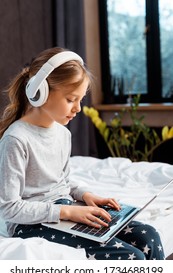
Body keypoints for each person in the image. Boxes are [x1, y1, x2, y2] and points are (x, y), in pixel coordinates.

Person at [0, 47, 165, 260]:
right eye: (70, 99)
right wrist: (67, 212)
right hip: (29, 223)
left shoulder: (62, 133)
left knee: (149, 237)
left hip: (65, 210)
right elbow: (8, 208)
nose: (78, 108)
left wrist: (86, 196)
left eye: (80, 99)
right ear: (39, 93)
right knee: (130, 257)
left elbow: (62, 182)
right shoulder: (16, 139)